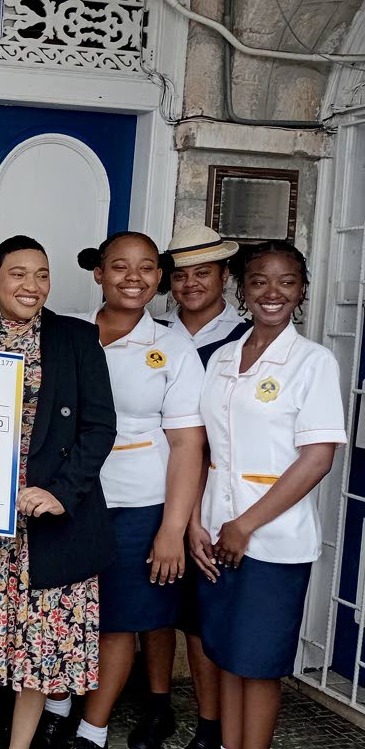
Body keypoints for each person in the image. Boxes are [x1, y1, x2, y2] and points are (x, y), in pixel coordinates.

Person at [0, 235, 117, 749]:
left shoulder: (78, 340)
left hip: (50, 523)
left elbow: (99, 426)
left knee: (41, 651)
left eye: (41, 275)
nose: (31, 285)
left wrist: (61, 492)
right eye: (17, 273)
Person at [43, 232, 206, 749]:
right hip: (68, 497)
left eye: (146, 268)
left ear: (159, 278)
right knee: (63, 607)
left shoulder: (173, 348)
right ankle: (56, 706)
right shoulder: (67, 332)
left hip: (137, 504)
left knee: (116, 621)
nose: (132, 278)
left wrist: (172, 529)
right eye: (119, 266)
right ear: (98, 273)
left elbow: (186, 447)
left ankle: (93, 728)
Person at [194, 241, 345, 749]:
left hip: (273, 542)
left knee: (258, 666)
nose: (272, 292)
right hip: (216, 533)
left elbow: (316, 460)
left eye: (286, 282)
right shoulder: (220, 359)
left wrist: (245, 525)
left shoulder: (312, 362)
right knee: (228, 657)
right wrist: (196, 522)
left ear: (301, 291)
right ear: (243, 289)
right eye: (259, 280)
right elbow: (204, 449)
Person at [130, 225, 244, 749]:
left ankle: (210, 724)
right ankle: (156, 705)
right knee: (156, 604)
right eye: (181, 275)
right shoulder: (156, 334)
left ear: (224, 275)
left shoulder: (245, 339)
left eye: (204, 272)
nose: (192, 284)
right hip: (161, 487)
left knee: (201, 616)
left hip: (218, 496)